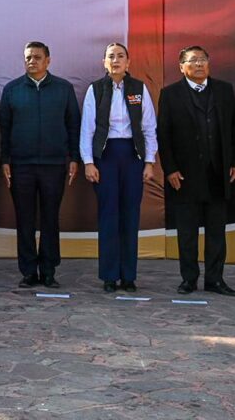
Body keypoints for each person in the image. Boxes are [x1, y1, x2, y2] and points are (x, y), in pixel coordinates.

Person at [158, 45, 235, 296]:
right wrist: (170, 169)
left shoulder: (224, 90)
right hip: (184, 176)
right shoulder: (170, 94)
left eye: (203, 60)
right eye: (193, 60)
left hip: (218, 173)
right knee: (187, 232)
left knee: (217, 231)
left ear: (209, 64)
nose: (198, 64)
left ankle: (215, 280)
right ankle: (189, 279)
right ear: (181, 66)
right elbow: (164, 136)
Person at [0, 41, 80, 289]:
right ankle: (28, 271)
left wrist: (74, 157)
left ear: (48, 61)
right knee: (24, 219)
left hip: (54, 165)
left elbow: (73, 124)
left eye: (36, 57)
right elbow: (4, 128)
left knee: (50, 219)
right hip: (21, 166)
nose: (31, 61)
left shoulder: (63, 89)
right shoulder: (12, 90)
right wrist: (5, 160)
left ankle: (48, 270)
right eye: (27, 57)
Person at [79, 43, 157, 293]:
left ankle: (129, 276)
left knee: (130, 214)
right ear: (104, 62)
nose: (116, 60)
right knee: (108, 215)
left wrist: (149, 162)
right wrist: (88, 162)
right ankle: (110, 275)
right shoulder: (96, 89)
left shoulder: (139, 88)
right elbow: (87, 129)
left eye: (120, 56)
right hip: (106, 156)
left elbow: (148, 128)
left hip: (132, 157)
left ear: (128, 62)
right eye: (111, 56)